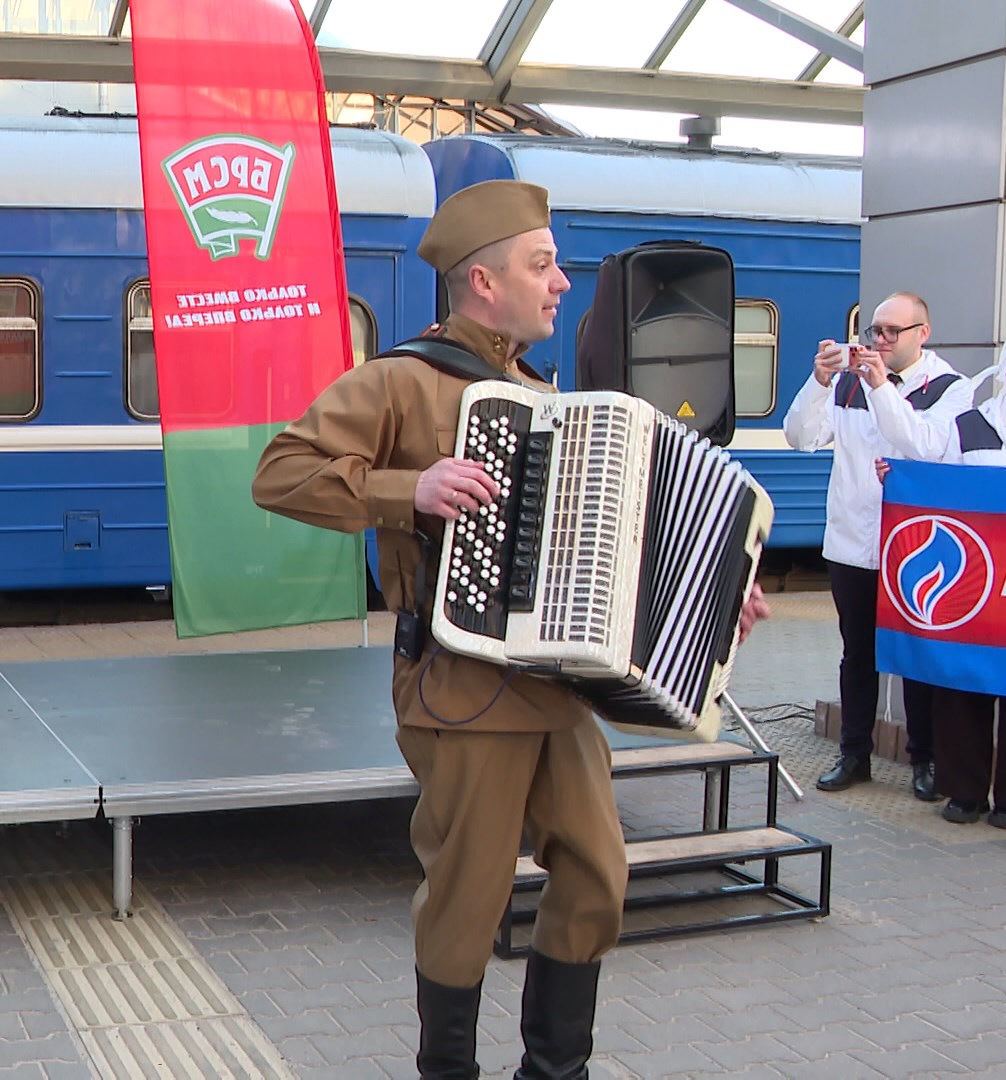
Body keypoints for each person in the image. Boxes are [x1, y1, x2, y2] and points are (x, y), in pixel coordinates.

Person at [253, 180, 770, 1080]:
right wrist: (406, 489)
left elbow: (610, 543)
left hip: (556, 686)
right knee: (469, 895)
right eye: (543, 265)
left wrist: (715, 597)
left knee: (598, 874)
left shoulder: (545, 394)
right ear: (484, 283)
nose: (563, 282)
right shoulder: (401, 378)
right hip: (458, 687)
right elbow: (280, 471)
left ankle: (554, 1070)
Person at [782, 292, 971, 798]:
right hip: (851, 541)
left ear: (922, 333)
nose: (880, 340)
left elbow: (923, 446)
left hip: (916, 547)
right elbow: (800, 437)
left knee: (917, 656)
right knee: (857, 653)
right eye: (874, 331)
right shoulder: (848, 382)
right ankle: (854, 754)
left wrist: (882, 386)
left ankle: (924, 760)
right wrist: (819, 381)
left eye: (891, 331)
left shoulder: (950, 387)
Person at [870, 325, 1006, 830]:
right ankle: (964, 792)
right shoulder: (968, 424)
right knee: (963, 681)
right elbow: (931, 472)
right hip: (976, 581)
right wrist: (898, 478)